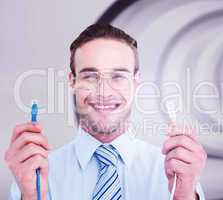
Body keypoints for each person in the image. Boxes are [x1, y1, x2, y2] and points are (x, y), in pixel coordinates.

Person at [5, 23, 207, 200]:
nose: (104, 91)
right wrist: (31, 197)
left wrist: (183, 195)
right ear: (72, 81)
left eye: (118, 76)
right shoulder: (34, 175)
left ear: (136, 82)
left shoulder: (178, 173)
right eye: (90, 76)